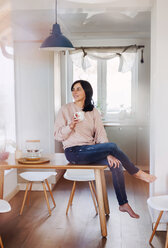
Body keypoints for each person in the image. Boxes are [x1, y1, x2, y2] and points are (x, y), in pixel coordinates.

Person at [54, 80, 156, 219]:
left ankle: (123, 203)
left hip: (91, 150)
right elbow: (57, 135)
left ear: (86, 91)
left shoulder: (93, 111)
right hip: (74, 152)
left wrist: (107, 154)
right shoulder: (65, 109)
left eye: (78, 89)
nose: (75, 92)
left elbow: (101, 133)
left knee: (117, 164)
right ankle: (136, 172)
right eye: (73, 89)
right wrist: (70, 126)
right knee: (112, 147)